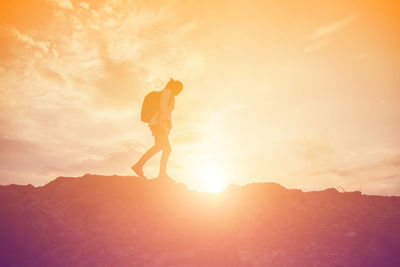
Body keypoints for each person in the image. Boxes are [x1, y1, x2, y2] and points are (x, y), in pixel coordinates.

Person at [132, 78, 183, 179]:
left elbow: (166, 110)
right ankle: (161, 174)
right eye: (178, 88)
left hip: (159, 124)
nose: (179, 91)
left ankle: (139, 166)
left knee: (159, 146)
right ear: (174, 87)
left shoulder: (170, 94)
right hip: (158, 123)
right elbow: (163, 107)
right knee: (167, 149)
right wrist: (164, 123)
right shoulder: (168, 92)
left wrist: (167, 125)